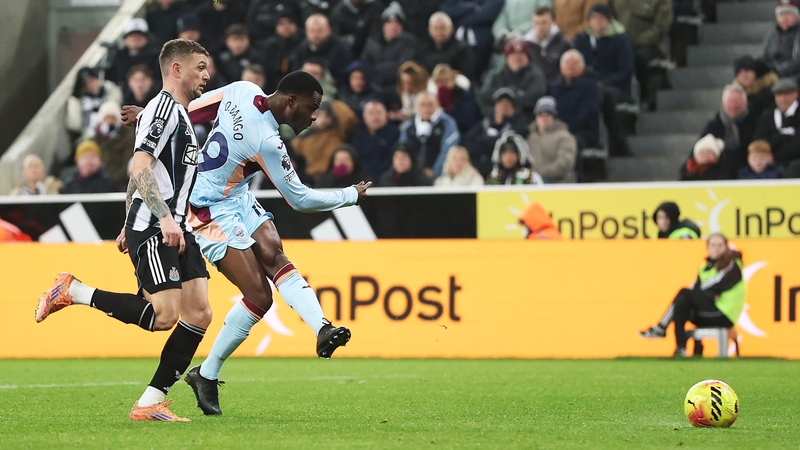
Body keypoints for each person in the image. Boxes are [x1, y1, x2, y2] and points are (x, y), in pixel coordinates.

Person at [36, 39, 212, 422]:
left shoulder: (177, 114)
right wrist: (159, 217)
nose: (206, 74)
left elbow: (147, 171)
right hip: (158, 225)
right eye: (200, 66)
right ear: (177, 69)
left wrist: (133, 211)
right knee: (164, 315)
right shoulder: (163, 109)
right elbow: (138, 166)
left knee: (198, 313)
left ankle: (150, 402)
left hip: (176, 226)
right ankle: (73, 290)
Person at [178, 73, 371, 416]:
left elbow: (192, 110)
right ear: (291, 101)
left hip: (236, 195)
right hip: (206, 208)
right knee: (260, 296)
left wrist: (152, 116)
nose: (313, 117)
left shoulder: (243, 89)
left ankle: (323, 328)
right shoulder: (267, 140)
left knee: (273, 253)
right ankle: (205, 374)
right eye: (312, 108)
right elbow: (299, 199)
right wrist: (349, 195)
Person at [639, 233, 745, 358]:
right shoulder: (704, 268)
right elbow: (697, 292)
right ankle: (681, 348)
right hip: (708, 310)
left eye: (720, 245)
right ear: (707, 248)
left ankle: (661, 328)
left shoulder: (732, 264)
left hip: (724, 314)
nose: (716, 248)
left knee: (684, 293)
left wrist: (707, 293)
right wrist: (708, 295)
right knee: (682, 304)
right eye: (713, 245)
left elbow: (717, 285)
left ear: (726, 247)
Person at [573, 3, 633, 156]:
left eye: (601, 18)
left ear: (609, 20)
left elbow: (626, 70)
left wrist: (605, 81)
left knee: (603, 96)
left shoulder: (620, 39)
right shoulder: (581, 39)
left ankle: (614, 141)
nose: (597, 22)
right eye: (594, 18)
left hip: (615, 85)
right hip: (588, 84)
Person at [612, 0, 673, 110]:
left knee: (640, 58)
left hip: (647, 45)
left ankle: (646, 96)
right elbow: (609, 20)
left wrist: (639, 41)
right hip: (619, 44)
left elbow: (661, 27)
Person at [463, 88, 530, 177]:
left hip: (509, 171)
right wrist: (497, 125)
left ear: (513, 108)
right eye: (500, 104)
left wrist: (486, 141)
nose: (503, 107)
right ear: (495, 107)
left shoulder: (520, 123)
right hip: (482, 168)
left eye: (507, 104)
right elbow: (468, 143)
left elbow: (511, 141)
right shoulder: (485, 123)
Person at [291, 99, 358, 182]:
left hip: (333, 179)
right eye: (319, 115)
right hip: (309, 180)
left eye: (326, 115)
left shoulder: (338, 132)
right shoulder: (303, 139)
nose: (323, 119)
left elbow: (349, 118)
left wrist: (333, 103)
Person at [695, 84, 756, 175]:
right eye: (730, 101)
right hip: (717, 173)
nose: (734, 106)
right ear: (723, 104)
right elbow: (697, 151)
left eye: (737, 101)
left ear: (745, 103)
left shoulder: (755, 123)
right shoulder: (714, 125)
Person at [479, 39, 547, 120]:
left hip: (526, 120)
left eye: (521, 53)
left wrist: (506, 100)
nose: (517, 57)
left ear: (528, 58)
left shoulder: (536, 75)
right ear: (507, 58)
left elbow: (535, 97)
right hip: (497, 119)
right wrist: (514, 92)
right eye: (513, 54)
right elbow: (485, 95)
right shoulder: (496, 75)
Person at [360, 2, 419, 94]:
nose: (393, 27)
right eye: (389, 23)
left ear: (402, 27)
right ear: (383, 25)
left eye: (397, 23)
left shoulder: (409, 43)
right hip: (373, 87)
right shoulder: (372, 42)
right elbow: (365, 66)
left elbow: (402, 67)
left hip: (398, 88)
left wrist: (377, 68)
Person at [550, 50, 603, 151]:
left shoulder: (591, 88)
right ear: (561, 68)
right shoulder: (554, 88)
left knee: (568, 143)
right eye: (567, 63)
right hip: (557, 130)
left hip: (583, 131)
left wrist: (567, 127)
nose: (571, 66)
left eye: (575, 63)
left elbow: (589, 112)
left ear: (583, 68)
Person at [399, 91, 461, 177]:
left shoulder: (447, 123)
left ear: (437, 105)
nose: (426, 109)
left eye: (430, 105)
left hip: (441, 176)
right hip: (412, 177)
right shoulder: (408, 126)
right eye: (422, 105)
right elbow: (402, 151)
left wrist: (434, 172)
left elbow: (448, 150)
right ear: (416, 106)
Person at [754, 78, 800, 176]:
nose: (783, 99)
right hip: (770, 163)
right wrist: (783, 137)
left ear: (796, 94)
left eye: (787, 94)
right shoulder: (767, 116)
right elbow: (759, 142)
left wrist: (773, 144)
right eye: (779, 95)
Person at [526, 96, 577, 184]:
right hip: (532, 183)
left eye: (548, 114)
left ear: (554, 117)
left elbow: (564, 164)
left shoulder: (564, 137)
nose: (544, 118)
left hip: (557, 184)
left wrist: (539, 173)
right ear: (536, 117)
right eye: (540, 114)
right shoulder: (531, 138)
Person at [414, 12, 476, 81]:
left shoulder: (463, 49)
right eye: (436, 28)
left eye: (442, 28)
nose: (439, 32)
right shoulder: (423, 50)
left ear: (451, 28)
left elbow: (467, 75)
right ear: (429, 30)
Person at [66, 67, 123, 140]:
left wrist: (103, 89)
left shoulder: (109, 91)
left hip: (112, 132)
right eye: (85, 84)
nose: (90, 85)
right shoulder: (80, 102)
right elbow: (75, 125)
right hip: (90, 137)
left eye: (91, 80)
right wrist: (75, 97)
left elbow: (116, 104)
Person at [291, 14, 353, 81]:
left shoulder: (341, 49)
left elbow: (344, 74)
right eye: (312, 31)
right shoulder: (301, 49)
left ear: (329, 30)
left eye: (319, 30)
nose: (316, 35)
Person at [351, 100, 400, 178]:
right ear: (364, 117)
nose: (375, 117)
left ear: (386, 115)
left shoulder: (396, 134)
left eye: (379, 113)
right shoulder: (358, 135)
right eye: (371, 113)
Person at [93, 100, 135, 191]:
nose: (110, 122)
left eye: (113, 118)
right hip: (100, 183)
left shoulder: (129, 137)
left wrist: (112, 181)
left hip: (122, 183)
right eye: (107, 118)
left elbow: (128, 162)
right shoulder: (95, 139)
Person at [524, 6, 573, 84]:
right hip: (535, 86)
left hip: (557, 87)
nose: (540, 27)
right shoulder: (526, 45)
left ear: (553, 22)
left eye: (544, 22)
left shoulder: (564, 43)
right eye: (537, 23)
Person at [106, 18, 161, 85]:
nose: (135, 38)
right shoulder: (118, 57)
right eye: (132, 35)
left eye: (139, 35)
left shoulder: (157, 57)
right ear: (125, 38)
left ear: (147, 38)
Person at [429, 63, 481, 134]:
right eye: (439, 82)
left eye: (446, 81)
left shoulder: (464, 95)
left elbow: (468, 121)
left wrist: (450, 107)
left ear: (453, 81)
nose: (443, 85)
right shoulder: (430, 100)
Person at [732, 56, 777, 124]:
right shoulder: (734, 95)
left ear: (755, 73)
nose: (743, 75)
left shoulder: (770, 92)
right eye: (739, 72)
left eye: (747, 70)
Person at [762, 0, 800, 80]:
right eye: (781, 14)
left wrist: (779, 71)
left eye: (789, 14)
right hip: (774, 78)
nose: (784, 18)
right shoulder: (772, 35)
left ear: (797, 16)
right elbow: (765, 58)